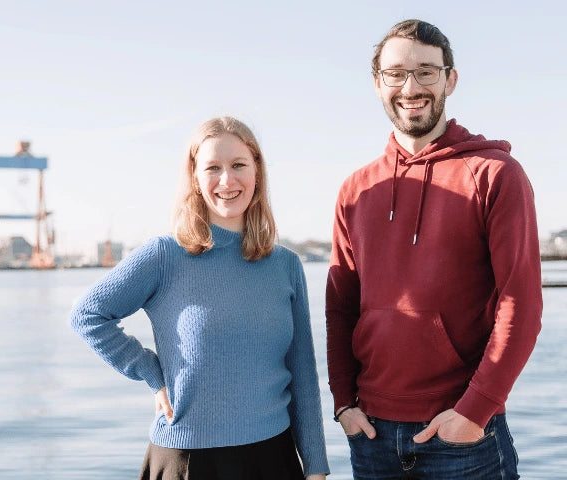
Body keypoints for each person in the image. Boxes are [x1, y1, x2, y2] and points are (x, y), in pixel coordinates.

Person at [326, 19, 542, 480]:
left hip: (463, 435)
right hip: (372, 435)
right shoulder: (356, 190)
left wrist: (475, 410)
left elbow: (520, 303)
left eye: (426, 71)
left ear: (450, 79)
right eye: (397, 74)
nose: (411, 87)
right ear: (377, 84)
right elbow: (340, 307)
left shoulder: (495, 174)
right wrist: (343, 401)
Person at [70, 116, 329, 480]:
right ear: (195, 176)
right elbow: (88, 315)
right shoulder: (164, 256)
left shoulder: (285, 265)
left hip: (275, 458)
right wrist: (150, 372)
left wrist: (316, 466)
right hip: (188, 459)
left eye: (239, 164)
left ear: (257, 170)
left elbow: (302, 372)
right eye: (213, 168)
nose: (227, 180)